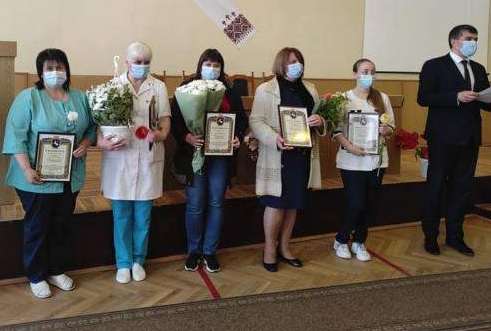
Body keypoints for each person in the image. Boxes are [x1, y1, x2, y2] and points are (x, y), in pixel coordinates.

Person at [3, 48, 96, 298]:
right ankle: (35, 274)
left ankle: (56, 270)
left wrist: (85, 144)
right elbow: (16, 136)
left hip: (69, 176)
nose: (55, 72)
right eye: (49, 68)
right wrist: (26, 168)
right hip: (36, 177)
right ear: (41, 73)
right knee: (38, 225)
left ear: (67, 69)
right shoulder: (28, 98)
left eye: (59, 67)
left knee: (61, 225)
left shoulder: (80, 98)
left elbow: (91, 129)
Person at [418, 24, 491, 256]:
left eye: (476, 39)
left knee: (461, 190)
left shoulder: (478, 68)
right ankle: (430, 237)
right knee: (436, 187)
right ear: (454, 41)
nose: (474, 43)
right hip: (442, 137)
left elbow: (482, 101)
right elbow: (424, 98)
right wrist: (455, 97)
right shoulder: (434, 65)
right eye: (469, 38)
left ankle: (455, 237)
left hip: (469, 138)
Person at [97, 42, 171, 283]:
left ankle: (138, 260)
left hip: (148, 156)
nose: (142, 66)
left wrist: (159, 134)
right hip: (120, 157)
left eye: (146, 62)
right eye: (137, 62)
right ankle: (123, 262)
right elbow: (99, 121)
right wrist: (102, 141)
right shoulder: (113, 86)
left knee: (143, 216)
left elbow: (165, 119)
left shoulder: (158, 86)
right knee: (121, 215)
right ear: (127, 62)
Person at [171, 48, 248, 273]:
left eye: (216, 65)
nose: (212, 69)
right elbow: (176, 121)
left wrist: (238, 136)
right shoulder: (186, 88)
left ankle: (209, 251)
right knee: (195, 204)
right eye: (208, 64)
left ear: (221, 68)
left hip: (220, 156)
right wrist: (187, 136)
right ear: (200, 66)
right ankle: (194, 251)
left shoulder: (230, 91)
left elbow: (241, 120)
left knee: (216, 203)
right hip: (194, 153)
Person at [249, 47, 325, 272]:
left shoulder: (310, 89)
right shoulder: (266, 89)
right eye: (292, 61)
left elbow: (320, 119)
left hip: (302, 155)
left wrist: (320, 121)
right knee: (276, 203)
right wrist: (274, 138)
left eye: (299, 61)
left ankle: (284, 247)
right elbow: (256, 121)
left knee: (293, 204)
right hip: (278, 154)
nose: (297, 65)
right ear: (281, 64)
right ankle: (269, 250)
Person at [332, 59, 395, 262]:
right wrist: (350, 146)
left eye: (373, 71)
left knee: (369, 205)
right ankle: (341, 240)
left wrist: (386, 130)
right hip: (351, 160)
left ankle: (359, 241)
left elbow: (391, 127)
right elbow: (335, 130)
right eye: (365, 71)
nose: (369, 75)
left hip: (376, 162)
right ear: (355, 74)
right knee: (355, 204)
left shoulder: (382, 98)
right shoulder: (342, 98)